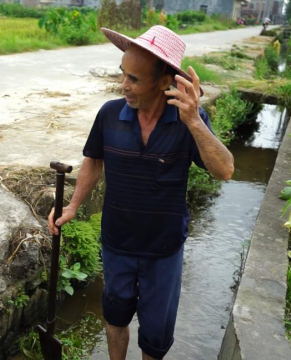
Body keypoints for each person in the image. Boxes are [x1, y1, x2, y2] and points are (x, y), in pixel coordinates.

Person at [48, 26, 234, 360]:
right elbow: (93, 161)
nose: (124, 86)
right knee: (115, 318)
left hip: (163, 249)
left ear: (165, 82)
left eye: (134, 79)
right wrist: (73, 206)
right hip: (117, 242)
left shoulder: (187, 120)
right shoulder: (109, 115)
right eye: (123, 75)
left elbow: (225, 170)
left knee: (155, 336)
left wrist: (193, 121)